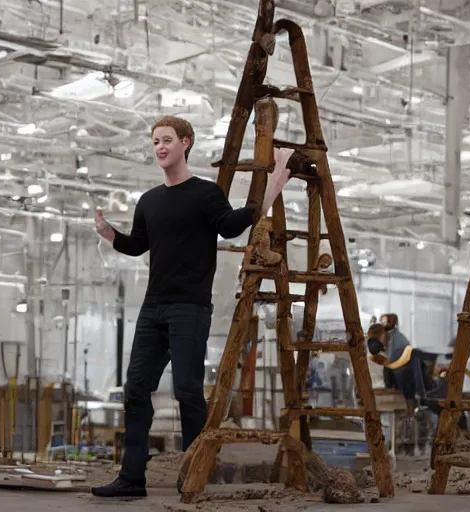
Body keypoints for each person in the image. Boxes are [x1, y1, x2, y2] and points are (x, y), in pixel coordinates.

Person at [90, 116, 292, 498]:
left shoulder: (205, 193)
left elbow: (232, 226)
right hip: (153, 309)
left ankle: (194, 475)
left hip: (190, 307)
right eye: (154, 142)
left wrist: (272, 189)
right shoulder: (149, 200)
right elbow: (138, 245)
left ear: (186, 143)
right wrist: (111, 234)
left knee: (187, 390)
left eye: (167, 140)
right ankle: (132, 478)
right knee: (135, 389)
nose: (160, 147)